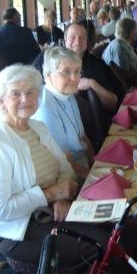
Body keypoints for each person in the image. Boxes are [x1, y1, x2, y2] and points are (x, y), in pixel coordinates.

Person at [0, 64, 109, 269]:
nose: (26, 99)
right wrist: (50, 195)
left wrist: (60, 197)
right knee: (105, 242)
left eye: (31, 92)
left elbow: (64, 166)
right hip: (20, 228)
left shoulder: (37, 127)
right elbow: (1, 210)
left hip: (49, 209)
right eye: (15, 94)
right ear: (1, 100)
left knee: (116, 223)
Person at [33, 22, 124, 114]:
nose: (77, 42)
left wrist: (92, 84)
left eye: (82, 38)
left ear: (86, 42)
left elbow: (113, 103)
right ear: (65, 40)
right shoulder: (46, 58)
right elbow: (32, 86)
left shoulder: (96, 66)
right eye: (73, 37)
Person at [33, 47, 94, 179]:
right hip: (66, 175)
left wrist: (96, 165)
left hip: (82, 164)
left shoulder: (67, 94)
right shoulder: (46, 108)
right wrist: (94, 178)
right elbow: (64, 162)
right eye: (66, 72)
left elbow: (84, 140)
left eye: (77, 72)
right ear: (48, 75)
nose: (74, 78)